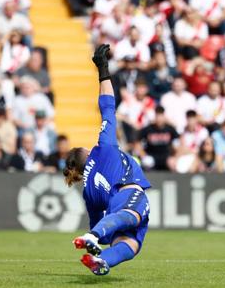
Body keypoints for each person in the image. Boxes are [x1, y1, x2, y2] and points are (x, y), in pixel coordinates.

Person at [64, 44, 151, 276]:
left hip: (112, 210)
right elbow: (108, 106)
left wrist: (97, 233)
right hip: (128, 194)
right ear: (85, 153)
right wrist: (103, 69)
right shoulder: (104, 147)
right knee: (131, 216)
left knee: (129, 244)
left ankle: (101, 261)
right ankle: (93, 241)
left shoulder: (88, 190)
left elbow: (94, 219)